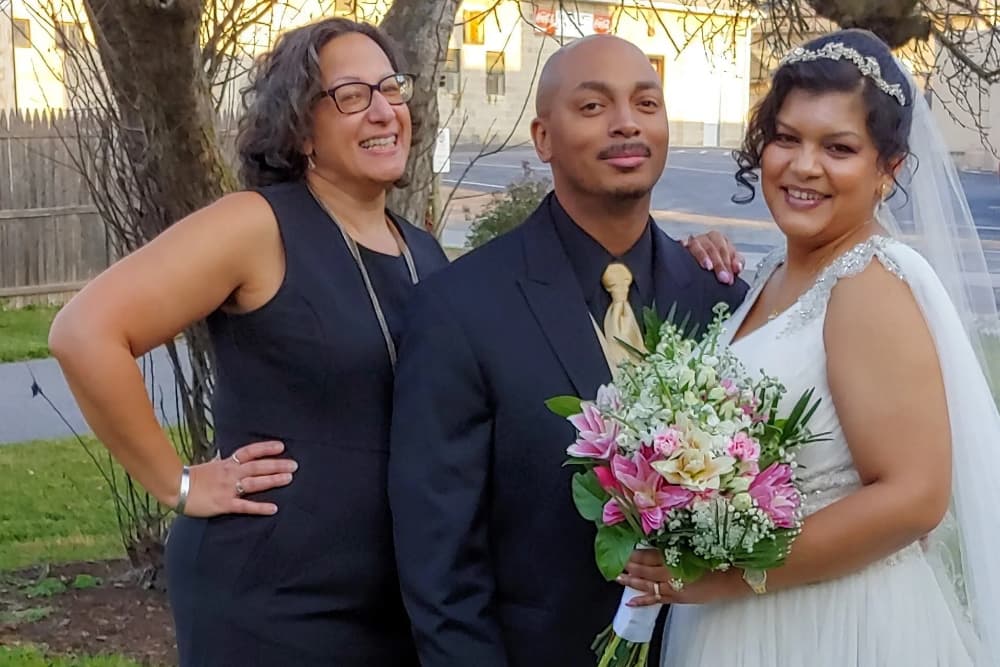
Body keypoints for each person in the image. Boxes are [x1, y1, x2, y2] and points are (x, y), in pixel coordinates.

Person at [48, 18, 450, 666]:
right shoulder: (255, 225)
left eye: (391, 88)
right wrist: (175, 482)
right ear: (300, 127)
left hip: (396, 605)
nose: (382, 110)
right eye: (351, 96)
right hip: (271, 600)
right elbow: (84, 331)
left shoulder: (422, 252)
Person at [616, 29, 1000, 666]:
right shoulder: (777, 268)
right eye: (787, 137)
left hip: (828, 626)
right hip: (745, 621)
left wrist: (720, 578)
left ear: (888, 169)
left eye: (839, 148)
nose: (803, 166)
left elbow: (914, 498)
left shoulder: (868, 284)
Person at [387, 34, 749, 666]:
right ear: (543, 138)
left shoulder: (722, 301)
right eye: (592, 107)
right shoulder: (459, 309)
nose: (627, 124)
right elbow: (439, 566)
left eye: (646, 103)